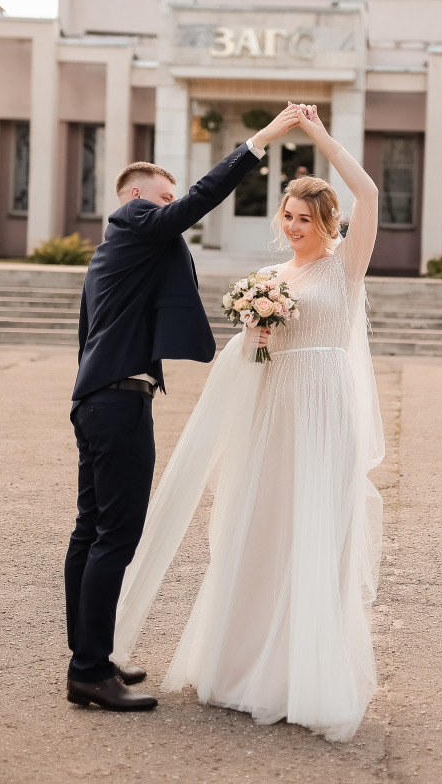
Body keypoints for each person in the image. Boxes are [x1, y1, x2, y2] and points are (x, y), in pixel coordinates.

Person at [112, 104, 385, 741]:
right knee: (258, 525)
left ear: (328, 221)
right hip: (272, 414)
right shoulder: (269, 278)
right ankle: (243, 668)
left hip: (322, 415)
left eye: (306, 218)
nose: (294, 227)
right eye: (287, 216)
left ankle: (305, 674)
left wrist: (314, 136)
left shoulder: (346, 269)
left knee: (314, 531)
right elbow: (253, 358)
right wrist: (257, 334)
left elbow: (367, 190)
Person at [64, 105, 300, 712]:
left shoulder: (111, 254)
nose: (173, 210)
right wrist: (262, 141)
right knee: (116, 534)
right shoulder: (138, 219)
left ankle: (88, 660)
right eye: (163, 197)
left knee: (91, 531)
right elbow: (197, 200)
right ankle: (90, 670)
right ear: (139, 196)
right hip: (117, 400)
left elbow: (88, 333)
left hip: (97, 397)